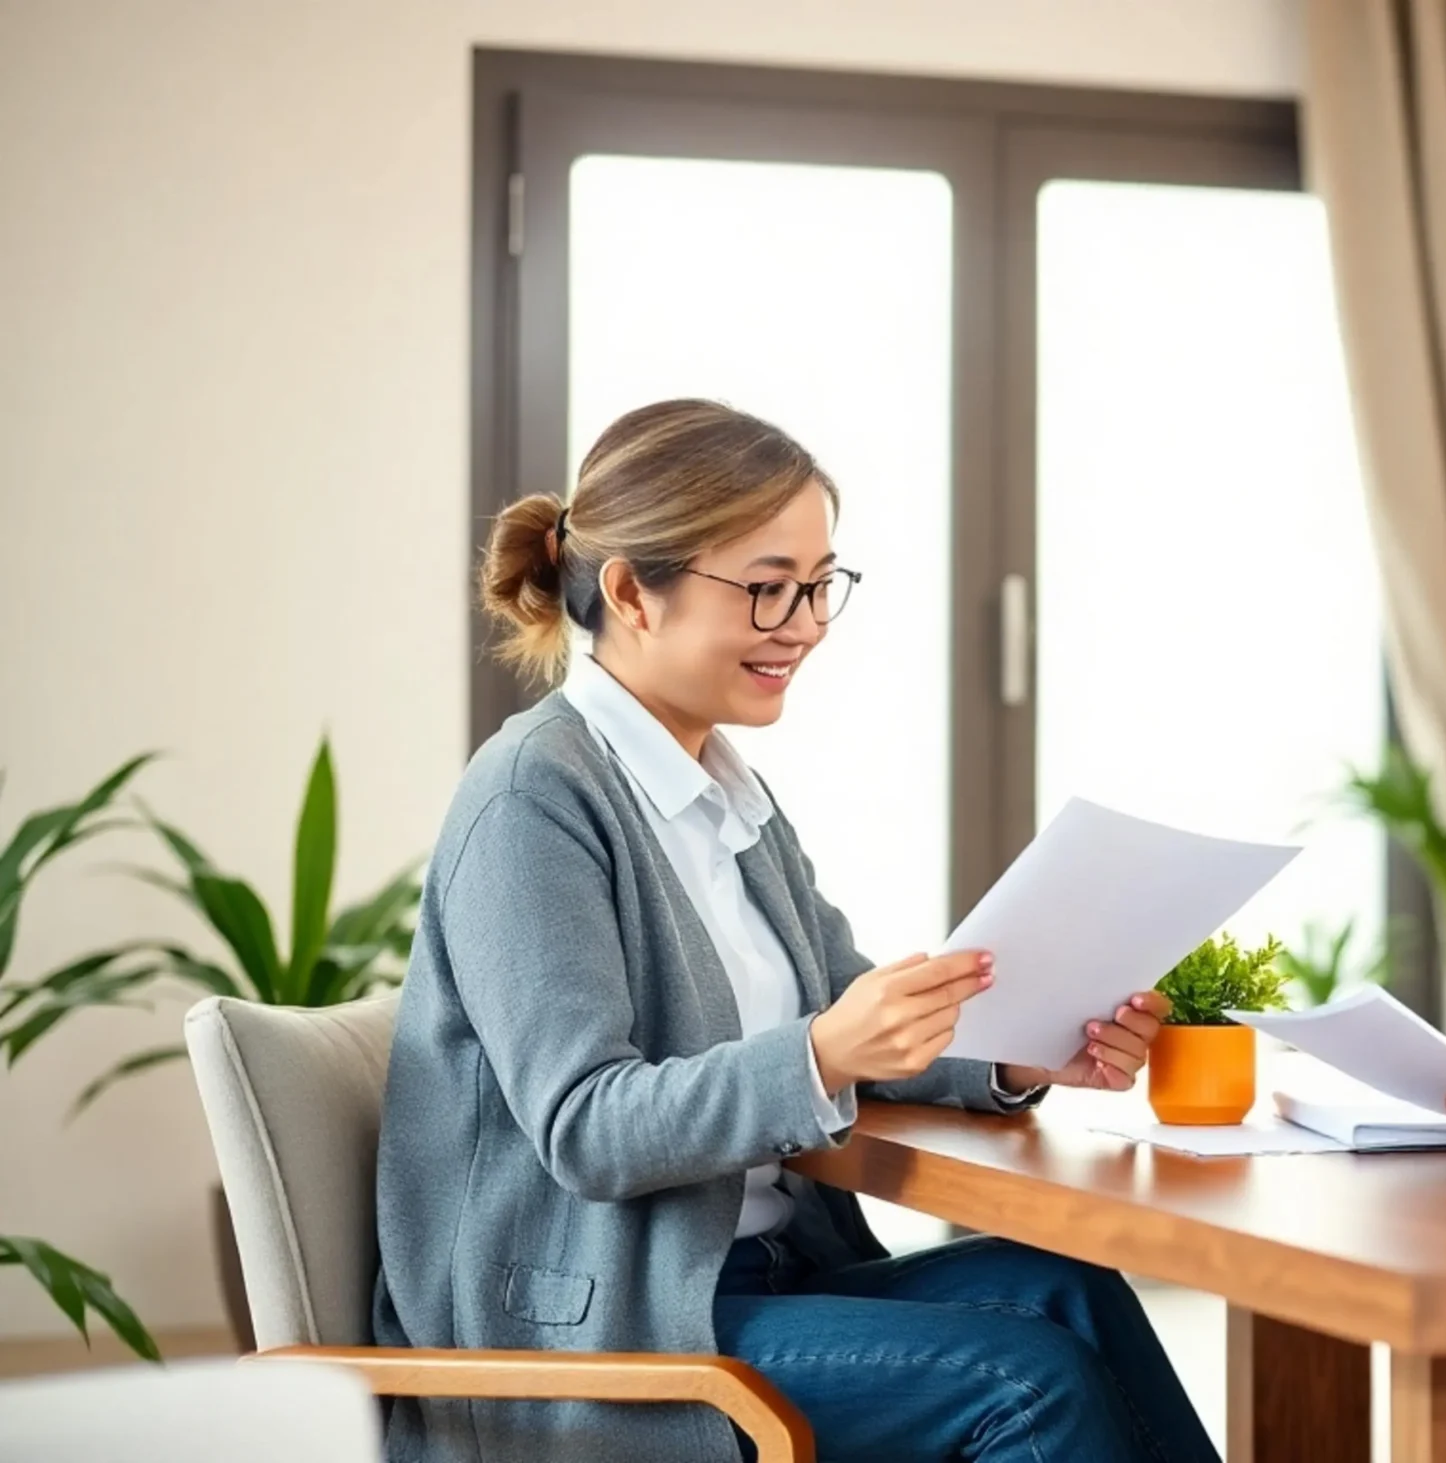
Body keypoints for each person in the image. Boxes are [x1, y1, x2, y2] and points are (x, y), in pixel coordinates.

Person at [375, 399, 1218, 1463]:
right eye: (768, 586)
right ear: (634, 589)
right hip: (600, 1328)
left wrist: (1009, 1053)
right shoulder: (532, 799)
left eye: (819, 585)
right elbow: (587, 1124)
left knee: (1066, 1287)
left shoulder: (723, 788)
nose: (806, 623)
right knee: (1023, 1381)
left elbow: (848, 1006)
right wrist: (822, 1052)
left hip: (754, 1280)